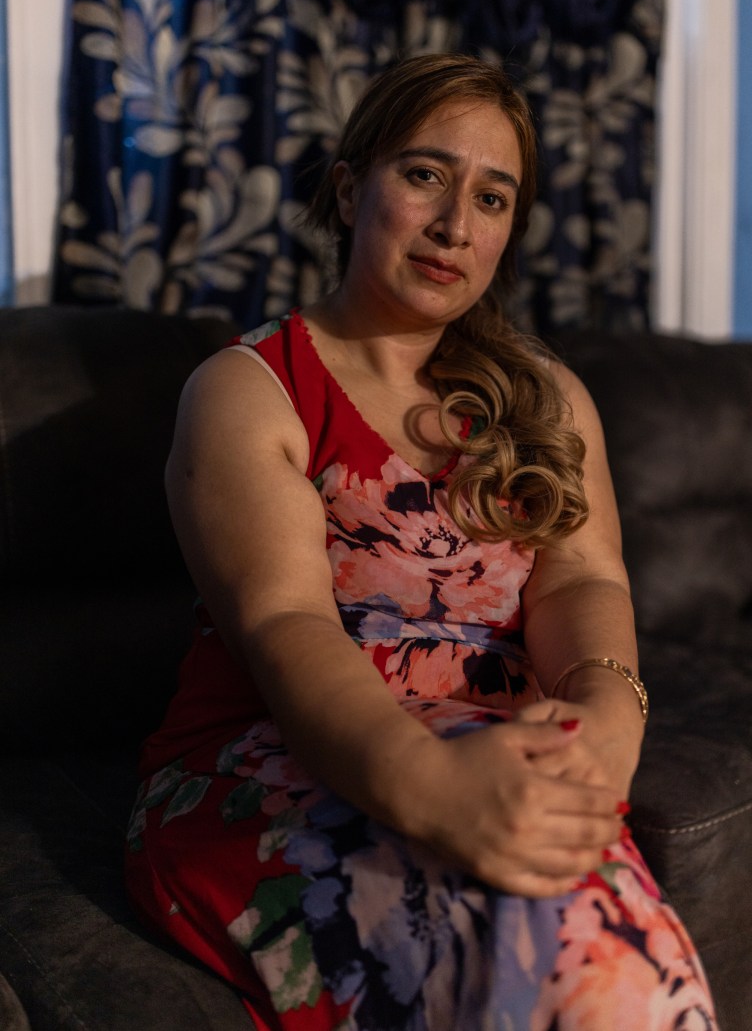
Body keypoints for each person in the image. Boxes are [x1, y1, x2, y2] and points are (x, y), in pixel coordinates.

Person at [126, 54, 717, 1029]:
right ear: (351, 186)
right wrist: (427, 785)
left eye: (492, 196)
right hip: (282, 758)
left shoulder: (546, 393)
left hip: (497, 749)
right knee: (552, 965)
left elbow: (581, 575)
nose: (454, 223)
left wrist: (609, 713)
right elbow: (282, 622)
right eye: (423, 174)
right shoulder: (248, 389)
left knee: (628, 969)